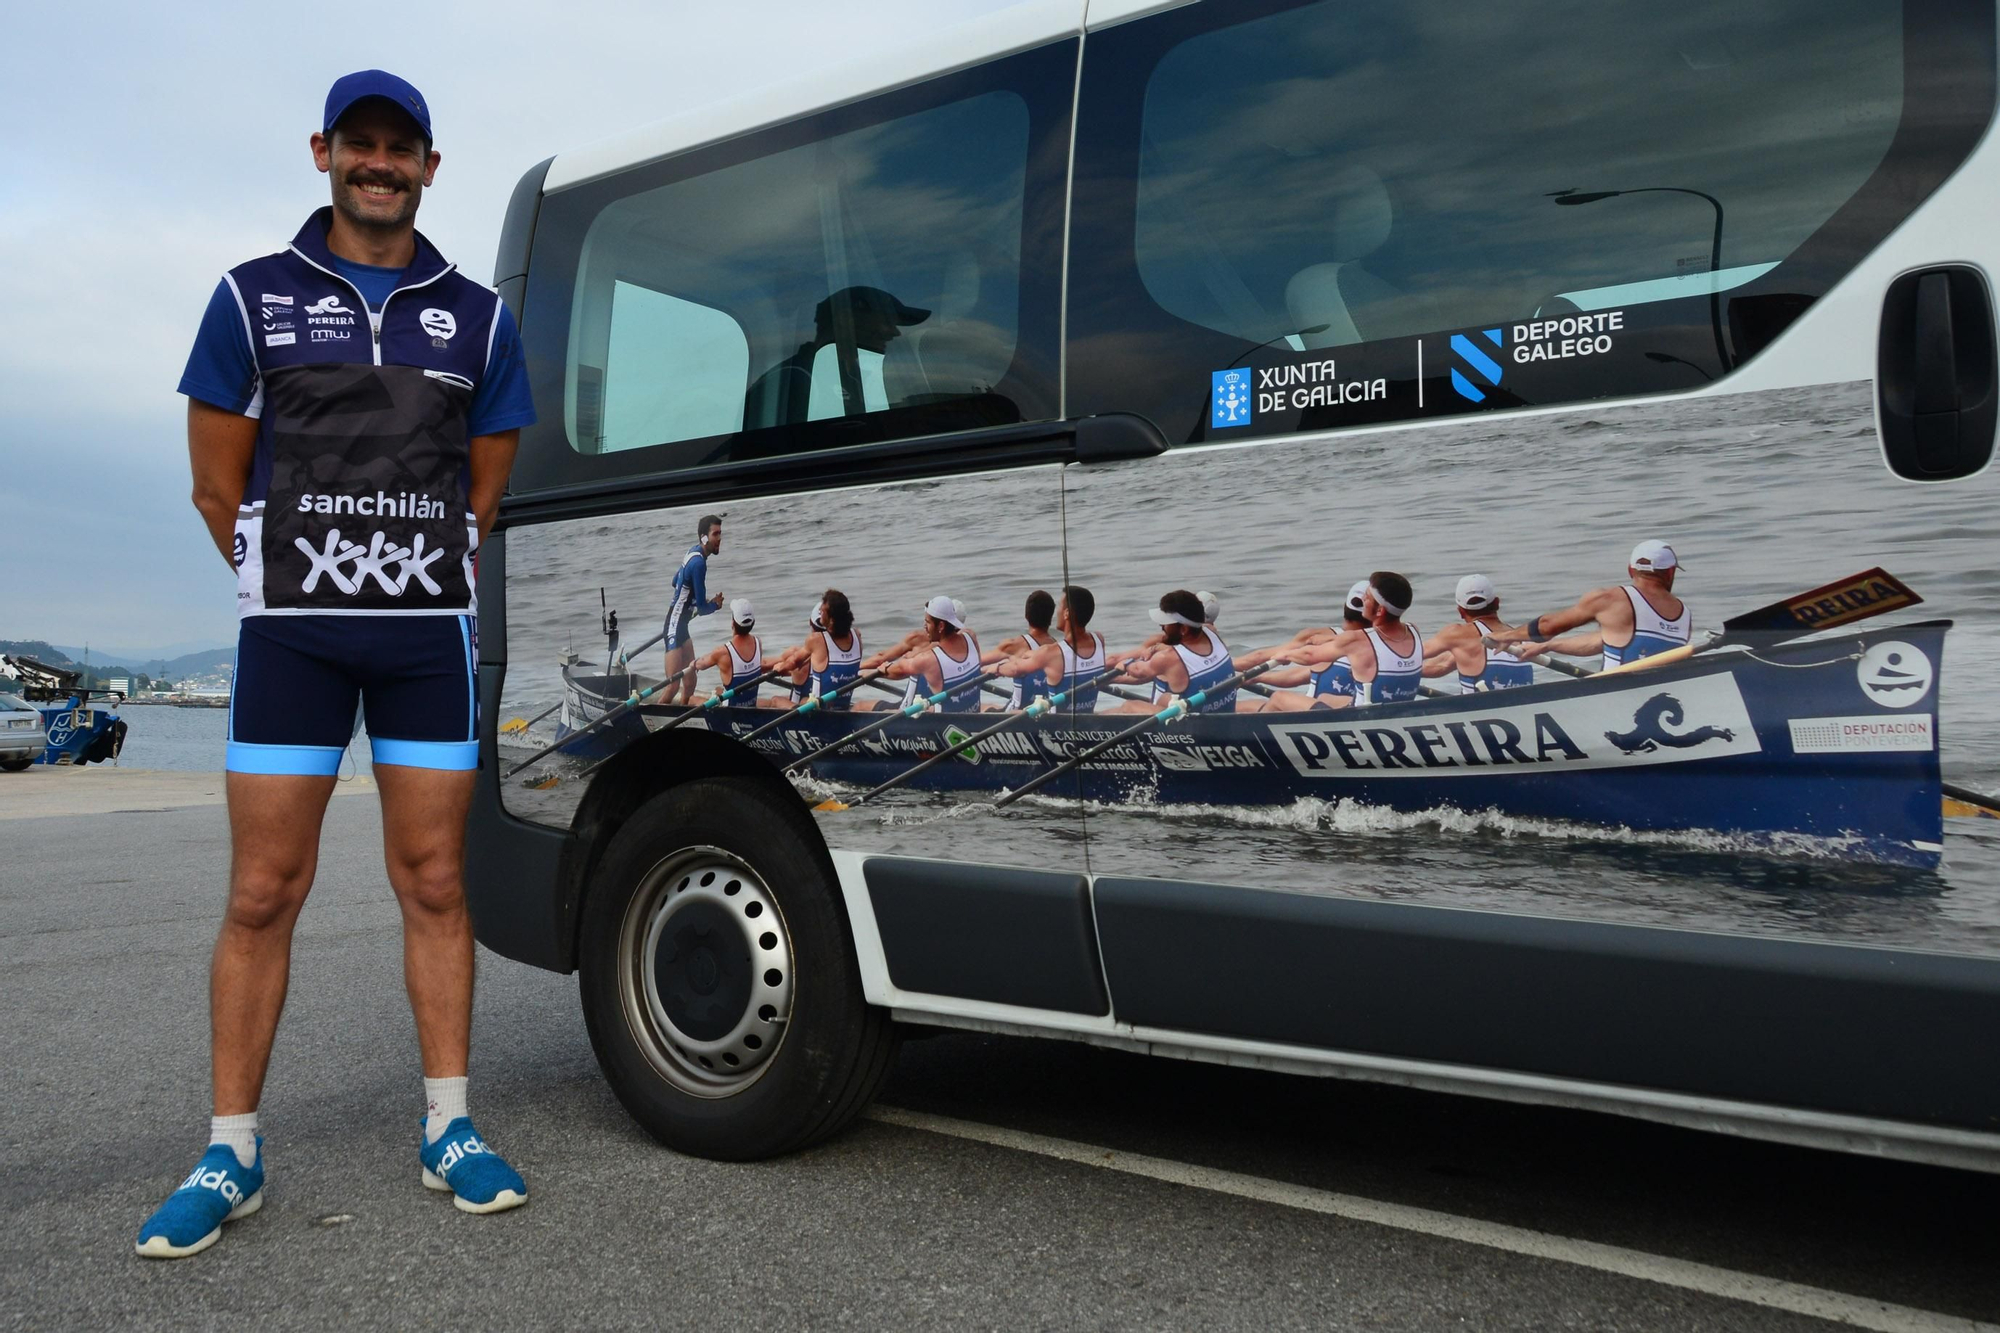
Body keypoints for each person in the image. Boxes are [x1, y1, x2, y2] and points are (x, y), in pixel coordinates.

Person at [149, 71, 536, 1259]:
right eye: (359, 143)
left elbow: (484, 481)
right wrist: (301, 579)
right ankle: (231, 1148)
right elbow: (221, 482)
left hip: (424, 638)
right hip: (291, 642)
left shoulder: (475, 316)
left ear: (430, 165)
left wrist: (402, 572)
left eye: (399, 148)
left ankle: (450, 1126)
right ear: (323, 151)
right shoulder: (250, 296)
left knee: (433, 880)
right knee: (264, 890)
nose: (378, 162)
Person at [743, 286, 930, 428]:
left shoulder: (849, 375)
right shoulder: (794, 379)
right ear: (845, 320)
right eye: (887, 321)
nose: (895, 333)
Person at [1493, 541, 1690, 667]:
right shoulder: (1684, 614)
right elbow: (1609, 641)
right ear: (1671, 572)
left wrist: (1508, 636)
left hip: (1617, 697)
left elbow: (1548, 626)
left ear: (1631, 570)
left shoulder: (1612, 599)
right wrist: (1548, 646)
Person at [1281, 572, 1424, 707]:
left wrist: (1284, 655)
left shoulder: (1358, 640)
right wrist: (1331, 638)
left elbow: (1309, 655)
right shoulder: (1413, 630)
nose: (1362, 600)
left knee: (1279, 698)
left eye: (1367, 597)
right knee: (1325, 698)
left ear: (1380, 611)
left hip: (1362, 715)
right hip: (1395, 709)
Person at [1232, 580, 1368, 711]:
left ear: (1345, 607)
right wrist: (1257, 677)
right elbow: (1301, 675)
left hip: (1318, 713)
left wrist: (1222, 667)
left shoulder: (1318, 639)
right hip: (1315, 708)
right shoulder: (1379, 642)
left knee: (1276, 699)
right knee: (1247, 706)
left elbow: (1259, 656)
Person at [1114, 590, 1243, 713]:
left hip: (1195, 728)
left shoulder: (1169, 658)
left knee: (1129, 706)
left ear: (1184, 629)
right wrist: (1156, 647)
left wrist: (1126, 664)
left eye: (1166, 623)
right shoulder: (1211, 631)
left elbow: (1139, 671)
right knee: (1165, 699)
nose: (1162, 627)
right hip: (1224, 714)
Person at [997, 585, 1109, 712]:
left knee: (998, 710)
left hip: (1053, 726)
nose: (1058, 612)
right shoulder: (1099, 640)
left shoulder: (1052, 653)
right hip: (1086, 721)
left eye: (1060, 606)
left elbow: (1016, 669)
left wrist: (996, 668)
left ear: (1067, 613)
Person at [1422, 575, 1536, 693]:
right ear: (1497, 603)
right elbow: (1444, 665)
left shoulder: (1459, 634)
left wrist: (1406, 672)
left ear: (1460, 611)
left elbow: (1415, 653)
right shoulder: (1520, 636)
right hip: (1522, 704)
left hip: (1477, 708)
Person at [880, 596, 984, 711]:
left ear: (940, 626)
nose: (925, 627)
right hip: (973, 719)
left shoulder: (929, 659)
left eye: (928, 622)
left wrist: (884, 669)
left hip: (945, 727)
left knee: (872, 709)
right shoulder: (971, 637)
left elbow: (900, 669)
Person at [661, 515, 725, 705]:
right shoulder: (698, 564)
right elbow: (704, 610)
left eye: (721, 534)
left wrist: (691, 597)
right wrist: (715, 604)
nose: (720, 539)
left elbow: (675, 582)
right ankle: (654, 720)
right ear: (704, 537)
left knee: (690, 682)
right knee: (672, 686)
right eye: (716, 534)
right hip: (673, 626)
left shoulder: (693, 552)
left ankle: (682, 715)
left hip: (682, 626)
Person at [983, 590, 1058, 710]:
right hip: (1043, 711)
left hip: (1016, 714)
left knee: (985, 707)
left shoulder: (1015, 645)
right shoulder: (1056, 647)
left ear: (1026, 616)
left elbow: (976, 662)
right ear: (1050, 618)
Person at [692, 599, 765, 706]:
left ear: (732, 623)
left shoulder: (723, 652)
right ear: (753, 622)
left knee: (691, 699)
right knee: (718, 690)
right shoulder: (758, 643)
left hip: (729, 712)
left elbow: (700, 665)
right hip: (750, 707)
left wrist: (692, 665)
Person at [806, 590, 869, 710]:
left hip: (817, 714)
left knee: (778, 700)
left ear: (831, 620)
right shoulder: (856, 635)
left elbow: (792, 662)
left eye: (822, 611)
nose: (820, 612)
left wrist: (779, 668)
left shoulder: (816, 640)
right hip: (843, 707)